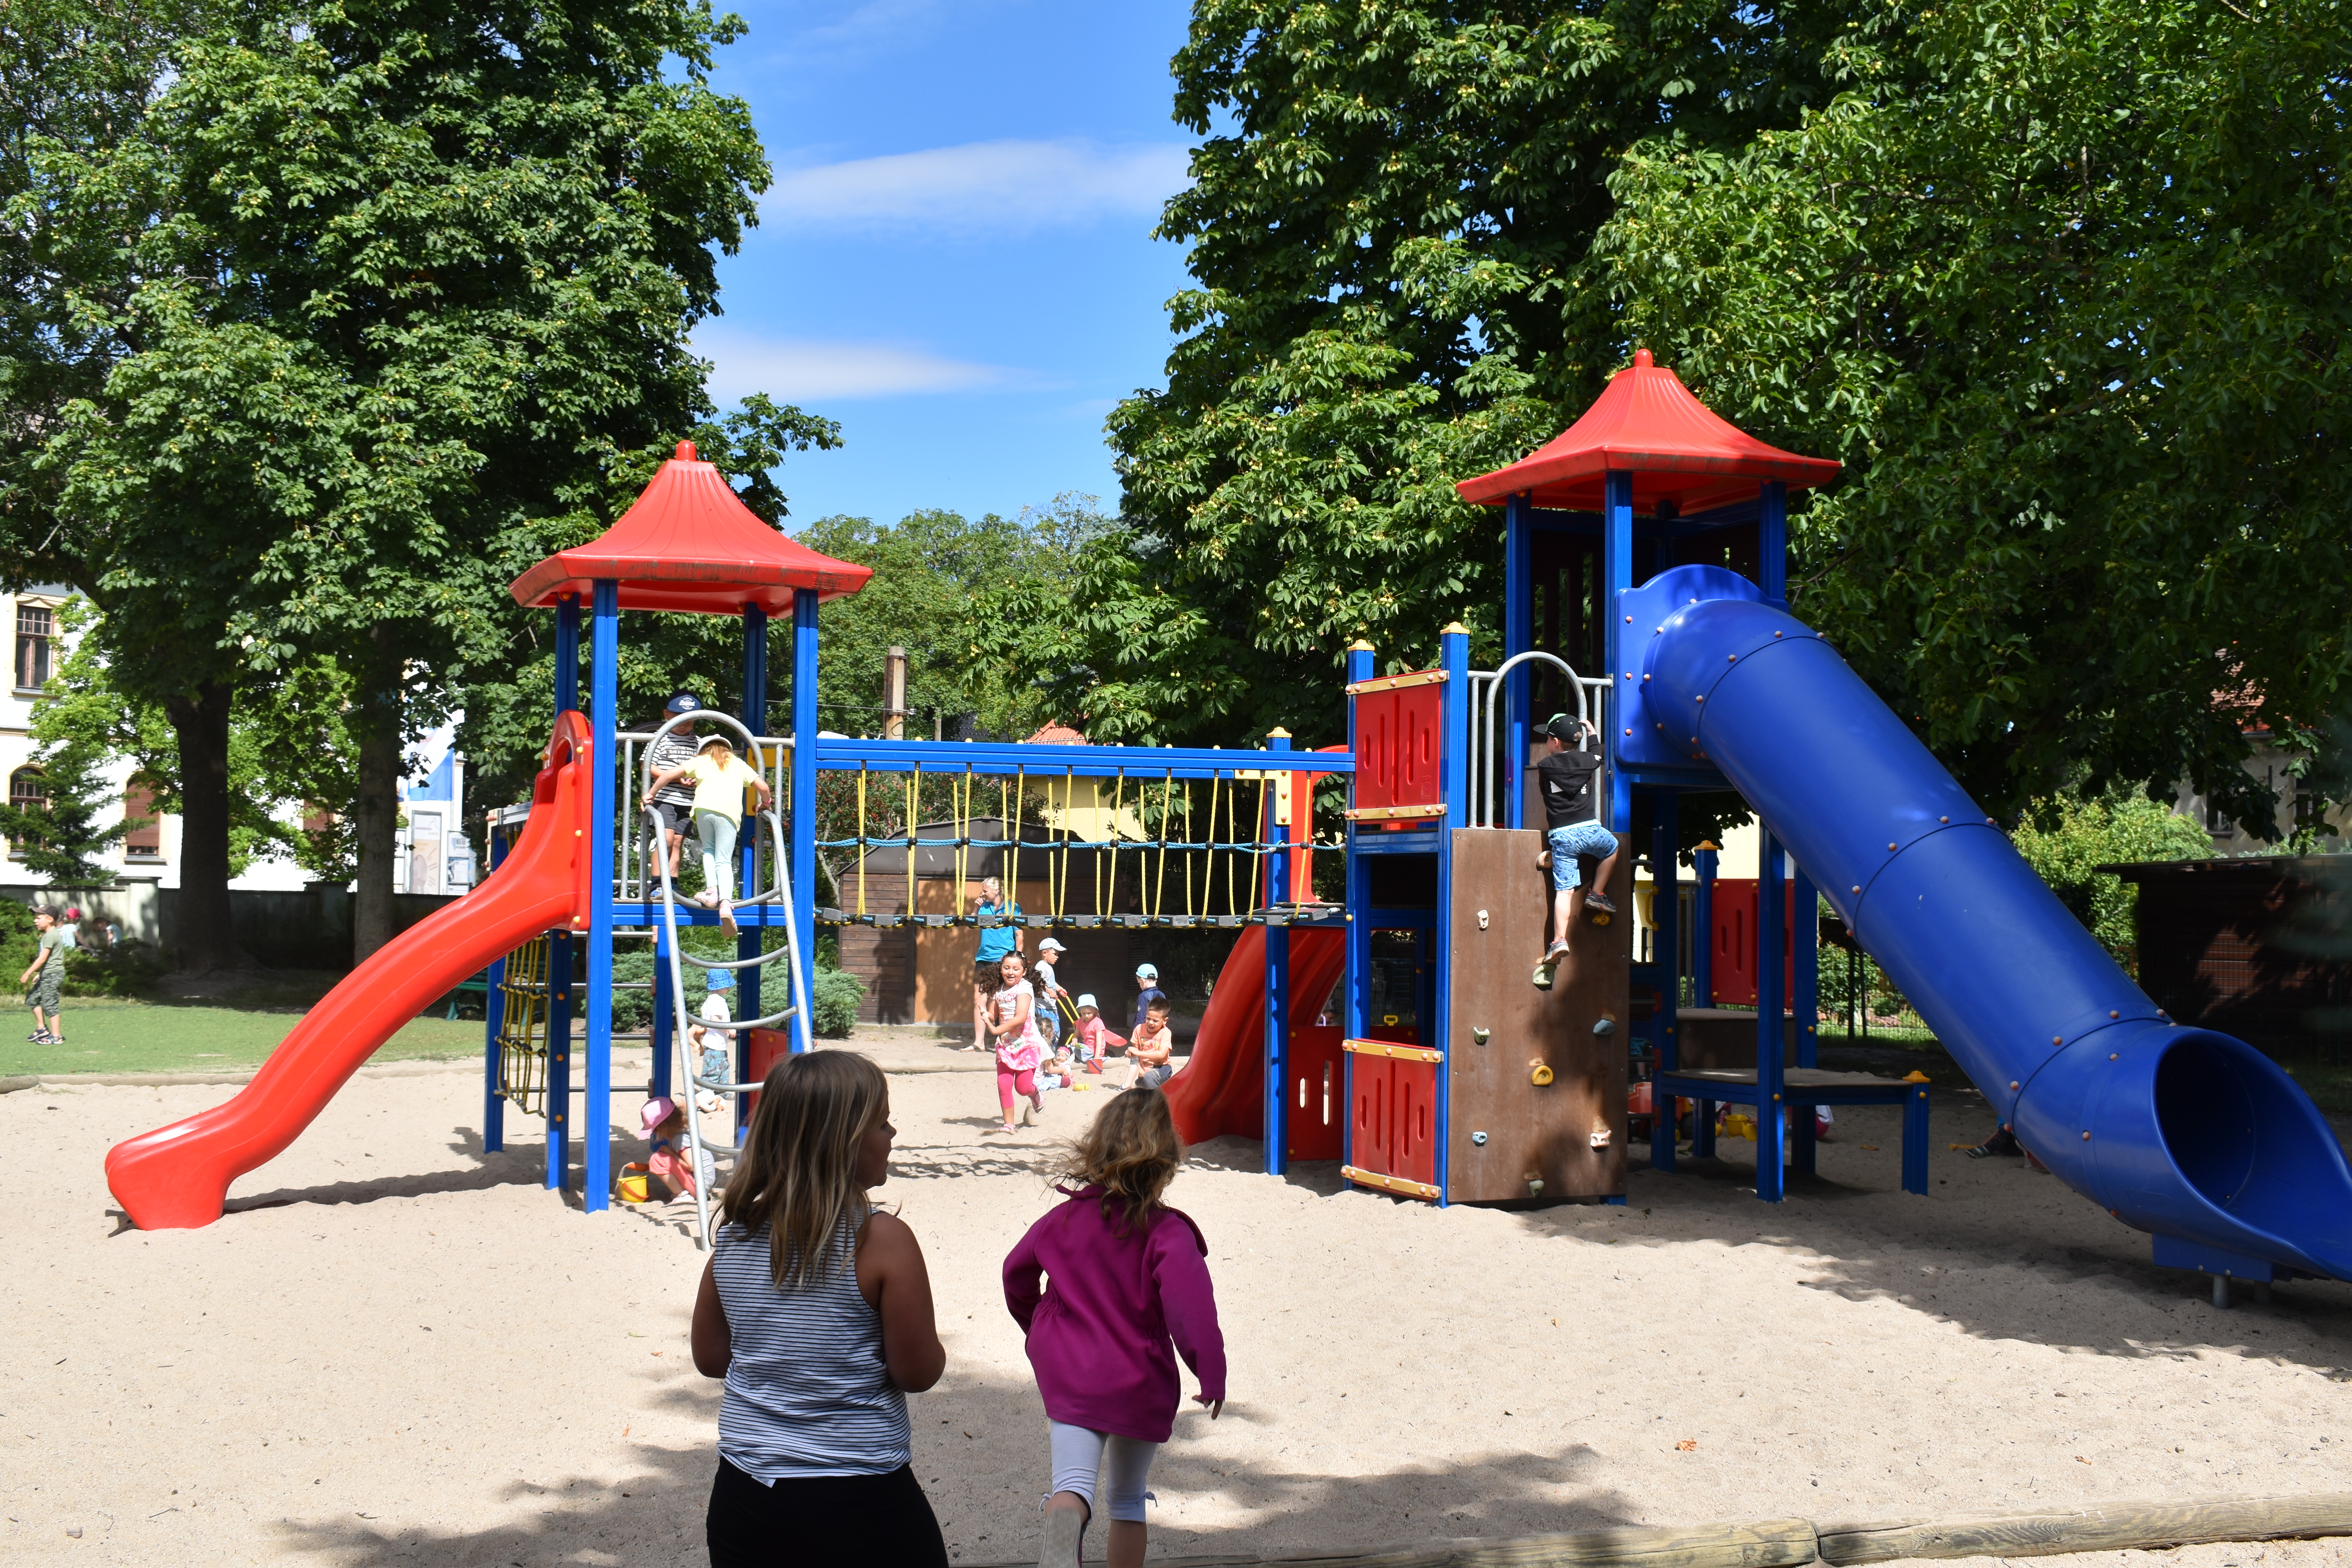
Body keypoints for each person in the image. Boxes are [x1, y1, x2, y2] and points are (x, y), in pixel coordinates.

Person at [692, 1050, 948, 1568]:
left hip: (746, 1493)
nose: (893, 1133)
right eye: (880, 1122)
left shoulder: (736, 1238)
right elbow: (917, 1373)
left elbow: (712, 1358)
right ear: (842, 1142)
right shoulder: (882, 1241)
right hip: (860, 1496)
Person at [1004, 1087, 1225, 1568]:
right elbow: (1192, 1310)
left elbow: (1015, 1274)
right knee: (1127, 1499)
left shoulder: (1060, 1219)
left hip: (1071, 1372)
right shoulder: (1167, 1231)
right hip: (1137, 1377)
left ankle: (1060, 1555)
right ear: (1166, 1161)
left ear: (1096, 1148)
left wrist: (1039, 1328)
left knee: (1072, 1486)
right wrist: (1210, 1372)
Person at [645, 733, 772, 936]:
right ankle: (725, 904)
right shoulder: (738, 763)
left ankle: (712, 891)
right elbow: (763, 787)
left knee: (709, 851)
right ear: (728, 749)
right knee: (724, 860)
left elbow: (668, 775)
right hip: (728, 814)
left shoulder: (701, 761)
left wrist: (650, 794)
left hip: (704, 811)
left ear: (705, 749)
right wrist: (765, 804)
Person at [1532, 713, 1621, 989]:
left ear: (1555, 742)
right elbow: (1596, 755)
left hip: (1563, 835)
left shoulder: (1545, 765)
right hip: (1590, 829)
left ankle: (1559, 940)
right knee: (1612, 849)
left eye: (1548, 738)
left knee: (1564, 891)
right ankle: (1597, 893)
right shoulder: (1588, 762)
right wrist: (1592, 734)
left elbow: (1559, 765)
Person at [644, 692, 704, 882]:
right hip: (665, 798)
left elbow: (703, 768)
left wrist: (696, 778)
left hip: (688, 800)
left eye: (689, 719)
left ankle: (672, 883)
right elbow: (648, 767)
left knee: (678, 842)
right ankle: (656, 884)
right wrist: (676, 778)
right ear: (667, 715)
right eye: (678, 717)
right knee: (666, 840)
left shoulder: (699, 742)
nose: (684, 724)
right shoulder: (660, 738)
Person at [986, 950, 1046, 1133]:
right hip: (1006, 1045)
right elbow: (992, 1013)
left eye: (1016, 969)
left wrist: (996, 1029)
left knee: (1023, 1087)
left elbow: (1020, 1018)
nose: (1011, 972)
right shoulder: (998, 990)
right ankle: (1009, 1124)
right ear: (1001, 969)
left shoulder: (1025, 988)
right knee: (1003, 1084)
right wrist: (985, 1015)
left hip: (1026, 1044)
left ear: (1024, 971)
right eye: (1007, 968)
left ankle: (1035, 1094)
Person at [967, 875, 1023, 1052]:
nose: (983, 894)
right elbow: (971, 924)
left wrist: (1019, 958)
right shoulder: (984, 907)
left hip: (1003, 959)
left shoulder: (1013, 908)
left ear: (996, 890)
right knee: (979, 999)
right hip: (984, 957)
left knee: (1002, 1000)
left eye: (985, 890)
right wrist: (976, 907)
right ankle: (979, 1043)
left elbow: (1019, 936)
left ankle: (1007, 1041)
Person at [690, 969, 737, 1143]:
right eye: (727, 986)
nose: (729, 989)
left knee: (724, 1068)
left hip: (718, 1043)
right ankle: (704, 1098)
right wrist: (729, 1029)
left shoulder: (712, 1000)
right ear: (722, 986)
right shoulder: (717, 1001)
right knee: (712, 1071)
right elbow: (715, 1021)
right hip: (714, 1043)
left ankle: (721, 1093)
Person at [21, 904, 69, 1047]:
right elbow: (48, 960)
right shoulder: (51, 935)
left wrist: (28, 973)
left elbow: (42, 959)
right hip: (47, 973)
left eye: (39, 918)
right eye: (35, 918)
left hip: (53, 974)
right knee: (33, 999)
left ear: (50, 920)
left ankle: (57, 1037)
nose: (36, 921)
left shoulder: (50, 936)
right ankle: (42, 1029)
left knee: (50, 1005)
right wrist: (40, 975)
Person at [1126, 999, 1175, 1090]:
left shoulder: (1166, 1033)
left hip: (1162, 1068)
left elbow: (1161, 1055)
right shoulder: (1139, 1029)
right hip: (1144, 1070)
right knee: (1142, 1086)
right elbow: (1136, 1054)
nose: (1151, 1023)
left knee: (1149, 1078)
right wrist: (1131, 1054)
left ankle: (1157, 1100)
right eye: (1148, 1018)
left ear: (1165, 1021)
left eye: (1155, 1021)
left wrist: (1138, 1053)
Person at [1033, 936, 1071, 1051]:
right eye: (1055, 954)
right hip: (1043, 1007)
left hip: (1051, 1006)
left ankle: (1051, 1052)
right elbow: (1037, 981)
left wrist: (1059, 989)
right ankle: (1047, 1053)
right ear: (1045, 953)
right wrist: (1050, 991)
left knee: (1056, 1030)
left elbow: (1049, 982)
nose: (1057, 957)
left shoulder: (1048, 967)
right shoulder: (1041, 966)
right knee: (1051, 1032)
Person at [1069, 994, 1120, 1076]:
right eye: (1083, 1013)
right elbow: (1076, 1035)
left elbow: (1099, 1042)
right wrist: (1074, 1040)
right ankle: (1084, 1058)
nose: (1086, 1016)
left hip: (1094, 1050)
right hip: (1086, 1048)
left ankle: (1091, 1059)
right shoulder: (1080, 1021)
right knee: (1070, 1048)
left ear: (1095, 1011)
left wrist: (1097, 1058)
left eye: (1089, 1013)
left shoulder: (1098, 1022)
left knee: (1077, 1051)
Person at [1130, 964, 1166, 1037]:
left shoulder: (1144, 996)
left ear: (1143, 980)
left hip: (1146, 1034)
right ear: (1156, 980)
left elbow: (1141, 1017)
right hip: (1160, 1034)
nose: (1139, 983)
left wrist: (1136, 1034)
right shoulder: (1162, 995)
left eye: (1139, 982)